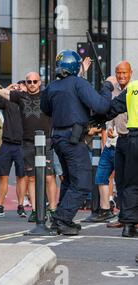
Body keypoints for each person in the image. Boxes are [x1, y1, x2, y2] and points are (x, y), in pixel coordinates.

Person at [40, 50, 113, 235]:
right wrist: (106, 88)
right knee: (82, 183)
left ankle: (60, 220)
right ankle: (62, 219)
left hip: (58, 138)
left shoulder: (52, 86)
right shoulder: (79, 83)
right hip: (73, 139)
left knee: (69, 181)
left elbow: (45, 108)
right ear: (75, 66)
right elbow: (101, 106)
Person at [0, 68, 58, 223]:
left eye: (35, 81)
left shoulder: (47, 95)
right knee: (31, 178)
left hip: (46, 141)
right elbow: (0, 93)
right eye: (29, 81)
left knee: (49, 177)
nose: (32, 84)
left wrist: (81, 72)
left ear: (40, 83)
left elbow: (65, 88)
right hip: (27, 143)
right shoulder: (20, 96)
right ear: (25, 83)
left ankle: (52, 209)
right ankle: (34, 210)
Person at [102, 67, 138, 237]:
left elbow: (112, 109)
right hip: (125, 139)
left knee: (130, 183)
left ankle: (129, 224)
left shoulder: (132, 88)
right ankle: (128, 220)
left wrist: (93, 119)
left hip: (132, 139)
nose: (122, 76)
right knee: (125, 181)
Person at [0, 81, 26, 218]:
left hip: (22, 144)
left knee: (21, 176)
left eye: (22, 86)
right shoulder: (8, 101)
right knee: (3, 176)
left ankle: (21, 206)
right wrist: (7, 88)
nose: (18, 88)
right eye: (17, 86)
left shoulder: (28, 102)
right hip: (7, 144)